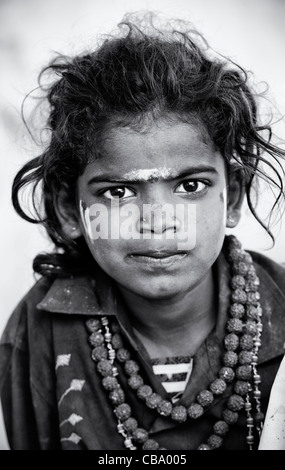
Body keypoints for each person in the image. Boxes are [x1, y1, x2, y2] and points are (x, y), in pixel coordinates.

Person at [0, 12, 285, 451]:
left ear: (230, 199)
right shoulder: (38, 330)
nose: (156, 219)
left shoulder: (281, 309)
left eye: (190, 186)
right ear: (69, 209)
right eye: (118, 191)